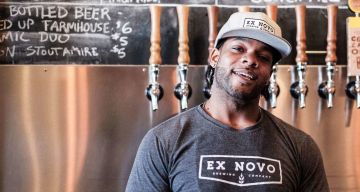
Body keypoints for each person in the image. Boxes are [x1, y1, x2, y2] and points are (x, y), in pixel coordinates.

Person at [126, 11, 329, 192]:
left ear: (270, 73)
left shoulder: (301, 147)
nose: (250, 60)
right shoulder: (164, 140)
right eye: (238, 49)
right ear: (215, 57)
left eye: (263, 56)